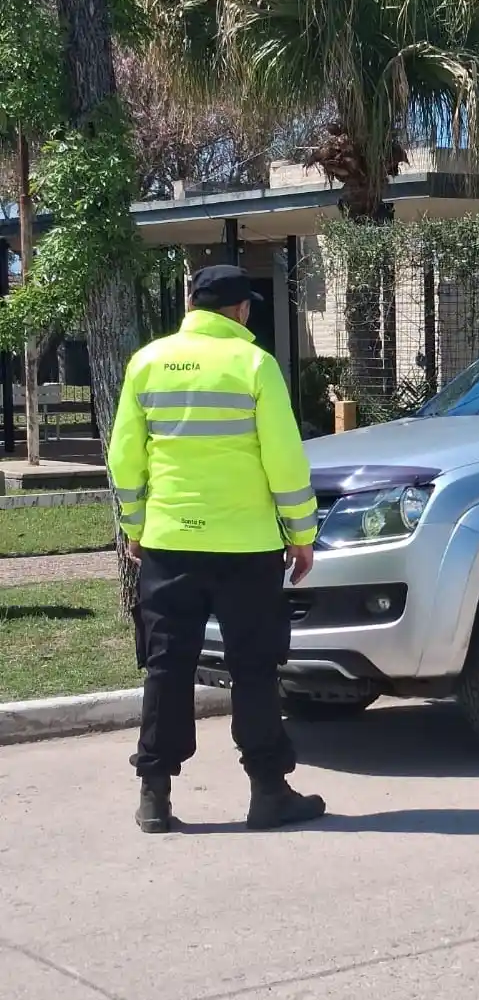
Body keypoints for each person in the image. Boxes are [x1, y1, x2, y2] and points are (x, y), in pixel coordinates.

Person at [109, 264, 327, 832]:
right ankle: (268, 792)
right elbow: (284, 460)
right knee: (254, 668)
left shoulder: (147, 362)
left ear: (190, 303)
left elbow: (125, 458)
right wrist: (301, 534)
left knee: (166, 666)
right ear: (242, 310)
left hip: (169, 542)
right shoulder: (254, 364)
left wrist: (135, 525)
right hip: (246, 548)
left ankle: (154, 796)